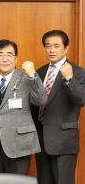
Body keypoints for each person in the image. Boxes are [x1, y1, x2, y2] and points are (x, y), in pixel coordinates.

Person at [0, 39, 47, 174]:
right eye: (0, 55)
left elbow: (41, 100)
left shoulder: (27, 78)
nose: (5, 59)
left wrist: (32, 75)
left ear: (16, 59)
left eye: (9, 55)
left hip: (20, 143)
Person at [32, 30, 85, 184]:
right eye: (48, 46)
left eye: (56, 46)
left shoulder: (78, 72)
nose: (52, 50)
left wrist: (69, 79)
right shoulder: (39, 72)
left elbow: (81, 100)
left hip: (64, 142)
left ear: (66, 48)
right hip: (41, 140)